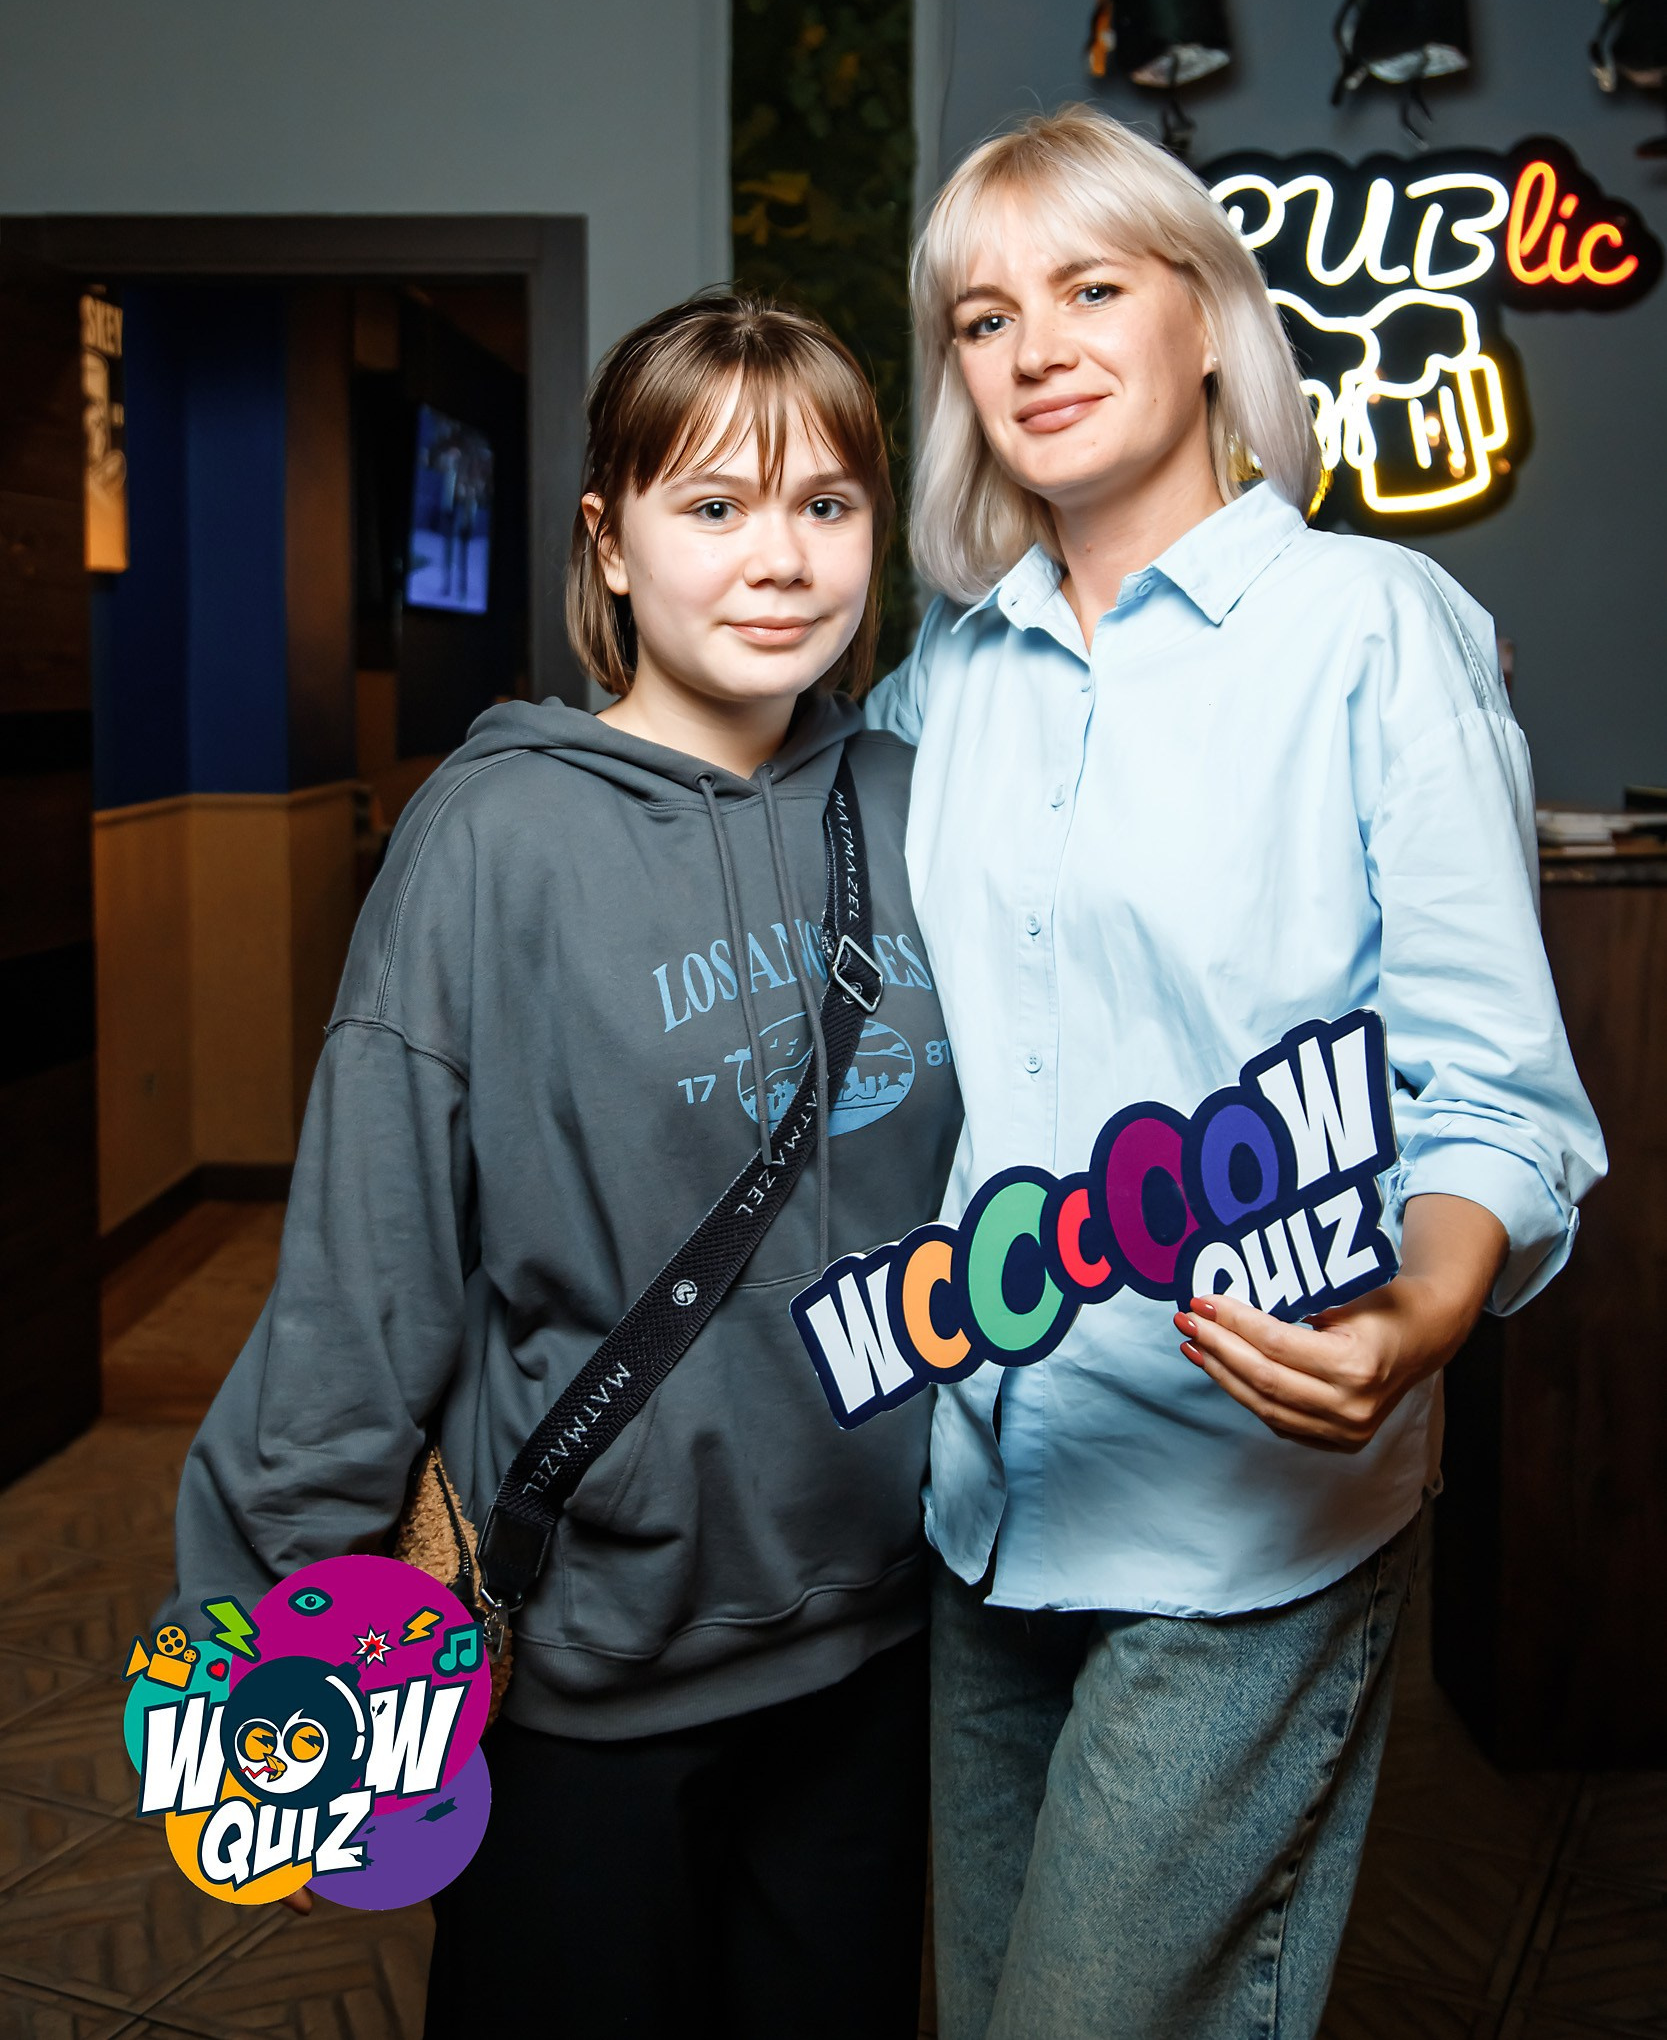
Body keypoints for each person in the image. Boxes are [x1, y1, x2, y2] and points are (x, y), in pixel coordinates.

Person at [867, 107, 1604, 2040]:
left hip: (1244, 1510)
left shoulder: (1371, 629)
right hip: (983, 1487)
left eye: (1092, 288)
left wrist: (1420, 1317)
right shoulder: (948, 680)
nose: (1035, 348)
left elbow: (1491, 1082)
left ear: (1208, 319)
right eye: (983, 317)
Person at [170, 293, 962, 2040]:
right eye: (715, 505)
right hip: (582, 1672)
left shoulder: (925, 806)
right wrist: (283, 1629)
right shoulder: (493, 834)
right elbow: (366, 1262)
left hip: (880, 1644)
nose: (780, 558)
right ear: (608, 540)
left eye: (826, 504)